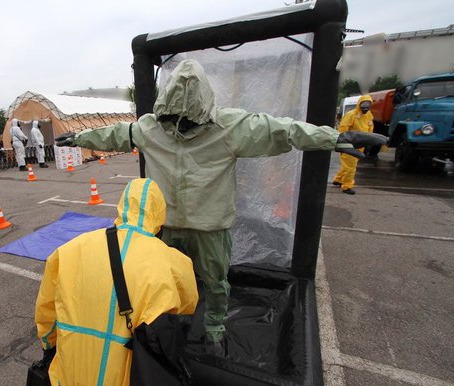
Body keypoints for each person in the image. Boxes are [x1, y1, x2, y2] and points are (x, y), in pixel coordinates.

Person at [55, 59, 386, 353]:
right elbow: (116, 134)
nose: (181, 128)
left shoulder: (229, 128)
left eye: (188, 122)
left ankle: (215, 329)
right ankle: (167, 325)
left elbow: (282, 131)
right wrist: (80, 137)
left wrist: (335, 138)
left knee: (215, 281)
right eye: (174, 120)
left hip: (210, 227)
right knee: (161, 279)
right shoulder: (151, 128)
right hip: (165, 225)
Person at [35, 178, 198, 386]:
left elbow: (47, 312)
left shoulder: (70, 250)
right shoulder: (173, 262)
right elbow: (189, 305)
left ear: (121, 205)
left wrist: (48, 345)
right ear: (159, 214)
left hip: (70, 383)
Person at [333, 95, 374, 195]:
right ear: (359, 104)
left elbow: (370, 127)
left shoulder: (368, 115)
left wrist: (369, 139)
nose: (366, 106)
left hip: (360, 144)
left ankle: (338, 179)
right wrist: (342, 143)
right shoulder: (351, 115)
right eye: (364, 103)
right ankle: (347, 186)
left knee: (348, 165)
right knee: (351, 166)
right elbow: (343, 128)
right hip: (349, 145)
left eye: (368, 104)